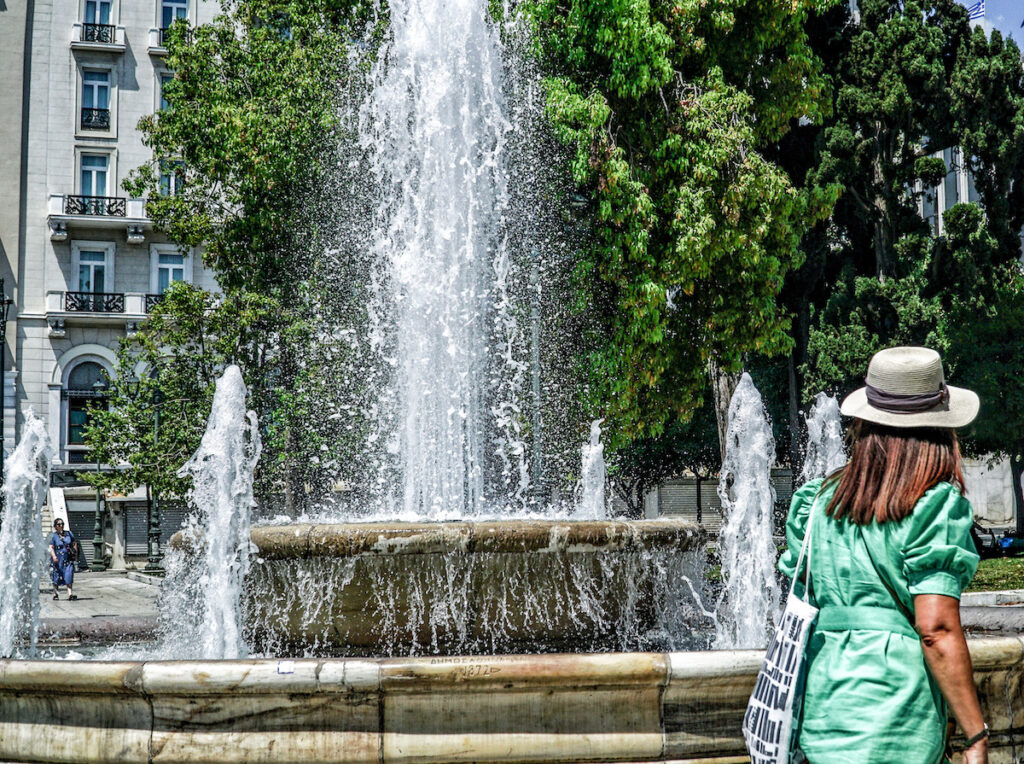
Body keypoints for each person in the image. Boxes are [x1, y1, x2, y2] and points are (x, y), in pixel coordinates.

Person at [780, 347, 988, 764]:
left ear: (865, 423)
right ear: (939, 431)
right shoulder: (933, 505)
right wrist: (975, 734)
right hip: (897, 717)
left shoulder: (819, 503)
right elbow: (936, 629)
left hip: (823, 715)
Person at [49, 518, 78, 601]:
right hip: (58, 558)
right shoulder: (53, 536)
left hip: (68, 558)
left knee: (69, 574)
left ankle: (70, 594)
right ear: (55, 526)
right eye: (59, 524)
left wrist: (75, 555)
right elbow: (51, 547)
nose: (61, 526)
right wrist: (54, 556)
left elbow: (74, 543)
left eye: (62, 524)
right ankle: (55, 594)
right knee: (56, 575)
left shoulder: (69, 534)